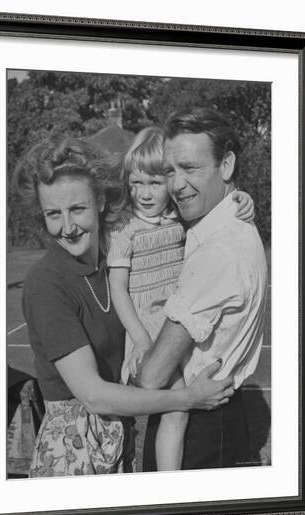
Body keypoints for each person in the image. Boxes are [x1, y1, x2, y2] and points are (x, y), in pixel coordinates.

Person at [18, 137, 235, 477]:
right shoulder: (47, 284)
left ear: (101, 201)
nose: (68, 227)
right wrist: (187, 399)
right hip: (73, 455)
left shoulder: (115, 263)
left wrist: (238, 199)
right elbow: (93, 396)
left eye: (77, 209)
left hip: (119, 439)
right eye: (53, 214)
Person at [107, 126, 254, 471]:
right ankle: (168, 486)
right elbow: (117, 289)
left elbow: (217, 214)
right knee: (175, 409)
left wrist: (242, 198)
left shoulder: (179, 218)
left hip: (180, 322)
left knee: (178, 411)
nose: (144, 193)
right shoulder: (123, 229)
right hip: (147, 329)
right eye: (136, 183)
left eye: (155, 183)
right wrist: (142, 341)